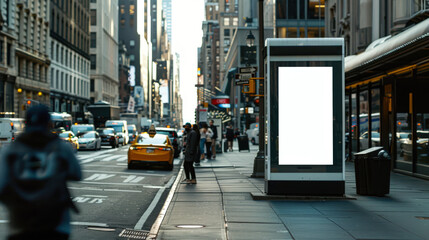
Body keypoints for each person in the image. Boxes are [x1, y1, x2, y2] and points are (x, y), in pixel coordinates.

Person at [0, 105, 82, 240]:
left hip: (20, 225)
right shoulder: (60, 147)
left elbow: (1, 185)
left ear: (26, 123)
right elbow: (77, 174)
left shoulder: (11, 151)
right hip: (56, 224)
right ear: (49, 124)